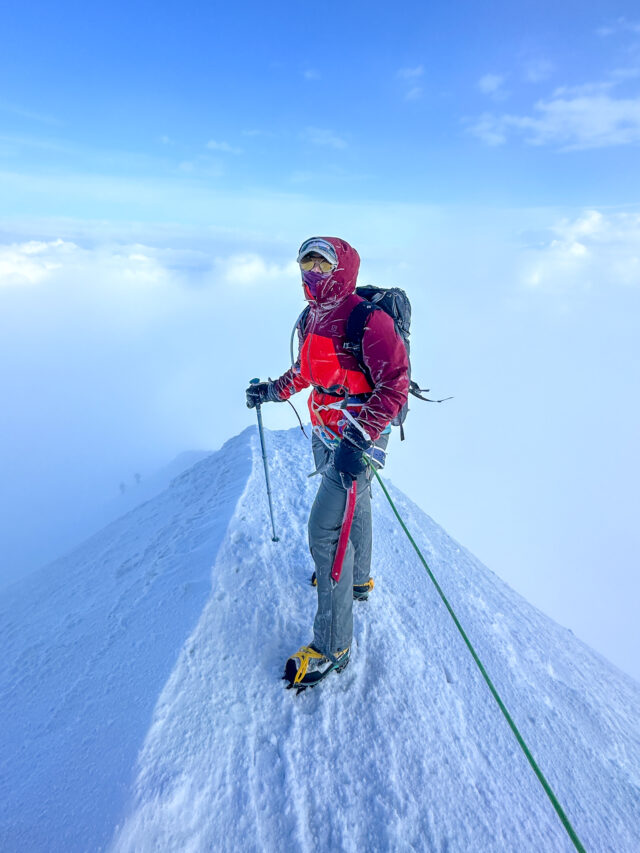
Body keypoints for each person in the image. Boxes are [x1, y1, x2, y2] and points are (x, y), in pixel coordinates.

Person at [246, 236, 409, 690]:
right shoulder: (314, 316)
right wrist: (271, 392)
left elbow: (394, 385)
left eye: (321, 265)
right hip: (326, 429)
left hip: (354, 437)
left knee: (324, 532)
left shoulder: (367, 319)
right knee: (355, 510)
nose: (312, 273)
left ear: (342, 269)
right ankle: (356, 583)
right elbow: (306, 373)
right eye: (307, 265)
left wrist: (358, 439)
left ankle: (333, 646)